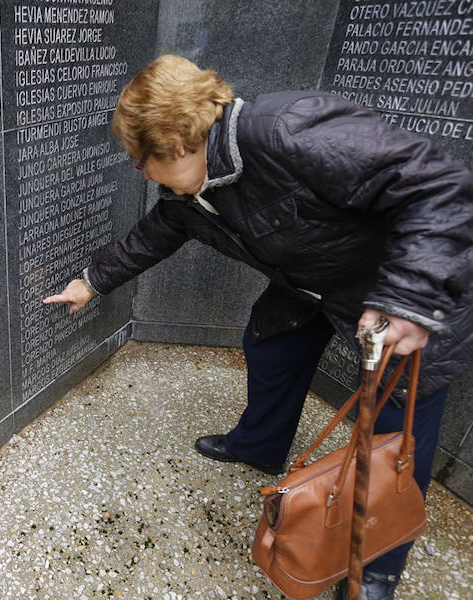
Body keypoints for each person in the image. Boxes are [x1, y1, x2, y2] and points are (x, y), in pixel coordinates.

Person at [43, 54, 473, 599]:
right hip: (311, 285)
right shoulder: (189, 191)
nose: (141, 172)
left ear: (174, 146)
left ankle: (379, 564)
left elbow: (439, 189)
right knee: (270, 344)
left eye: (139, 160)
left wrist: (411, 297)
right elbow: (155, 234)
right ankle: (261, 445)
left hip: (399, 286)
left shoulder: (290, 128)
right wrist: (91, 282)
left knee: (395, 432)